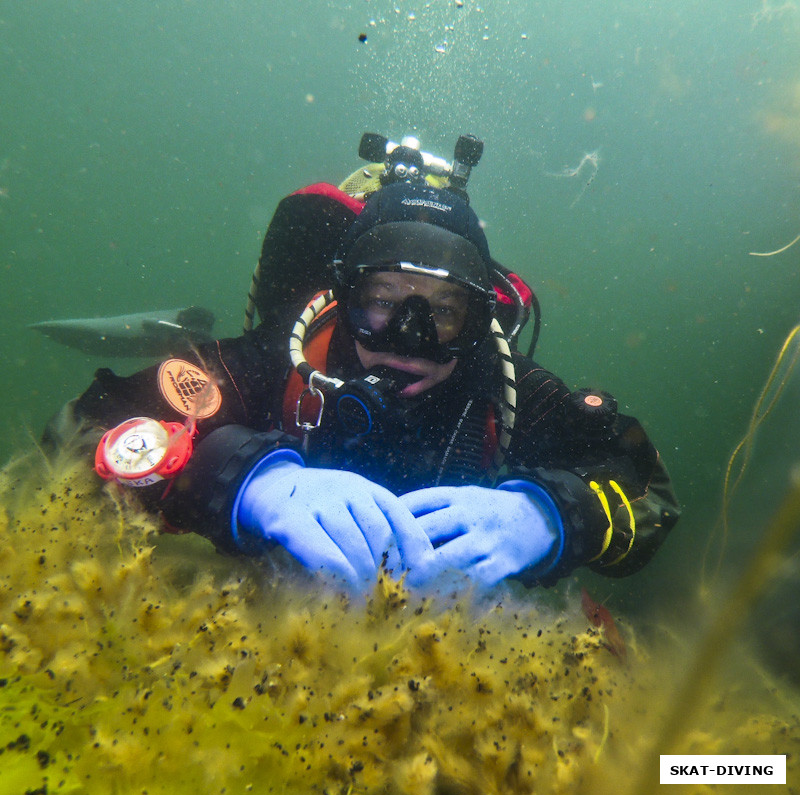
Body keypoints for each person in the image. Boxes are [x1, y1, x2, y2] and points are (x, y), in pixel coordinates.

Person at [47, 133, 680, 592]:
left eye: (442, 311)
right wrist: (237, 479)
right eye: (382, 302)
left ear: (479, 319)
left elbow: (644, 490)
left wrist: (552, 516)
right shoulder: (282, 359)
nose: (408, 338)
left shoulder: (501, 381)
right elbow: (78, 433)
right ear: (343, 298)